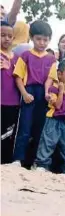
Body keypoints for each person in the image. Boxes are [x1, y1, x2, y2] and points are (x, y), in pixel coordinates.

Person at [12, 20, 58, 167]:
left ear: (50, 39)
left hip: (42, 95)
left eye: (45, 39)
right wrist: (24, 93)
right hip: (29, 92)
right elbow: (18, 76)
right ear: (32, 38)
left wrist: (47, 93)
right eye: (39, 39)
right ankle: (18, 159)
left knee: (40, 128)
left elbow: (50, 79)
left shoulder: (51, 59)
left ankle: (33, 161)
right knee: (24, 127)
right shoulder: (25, 55)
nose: (42, 42)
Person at [33, 60, 65, 174]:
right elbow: (57, 106)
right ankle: (41, 164)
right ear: (59, 74)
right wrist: (61, 91)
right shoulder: (54, 88)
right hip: (53, 119)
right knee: (48, 142)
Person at [1, 21, 20, 164]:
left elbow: (20, 78)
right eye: (2, 35)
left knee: (8, 133)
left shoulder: (17, 58)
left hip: (13, 102)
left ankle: (5, 161)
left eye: (9, 36)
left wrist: (9, 67)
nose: (6, 39)